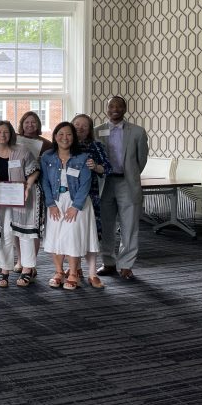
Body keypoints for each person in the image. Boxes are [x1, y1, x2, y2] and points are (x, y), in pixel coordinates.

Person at [0, 121, 42, 289]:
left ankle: (27, 269)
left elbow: (34, 169)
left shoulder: (21, 150)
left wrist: (28, 185)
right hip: (1, 200)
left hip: (23, 197)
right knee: (5, 234)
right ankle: (4, 270)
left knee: (25, 234)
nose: (2, 135)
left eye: (6, 132)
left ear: (11, 134)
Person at [41, 122, 100, 291]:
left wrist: (76, 206)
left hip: (77, 202)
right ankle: (59, 272)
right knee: (56, 236)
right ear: (55, 136)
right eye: (60, 134)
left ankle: (73, 273)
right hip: (56, 201)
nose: (64, 138)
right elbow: (44, 181)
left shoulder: (83, 158)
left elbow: (86, 183)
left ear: (73, 138)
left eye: (68, 134)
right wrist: (50, 204)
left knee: (72, 236)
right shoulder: (47, 156)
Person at [95, 96, 148, 280]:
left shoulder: (138, 132)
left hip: (127, 183)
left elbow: (141, 160)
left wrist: (131, 174)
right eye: (111, 105)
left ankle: (126, 265)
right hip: (105, 183)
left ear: (125, 109)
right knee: (106, 226)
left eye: (119, 106)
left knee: (129, 226)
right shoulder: (97, 131)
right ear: (106, 109)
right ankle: (108, 262)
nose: (115, 109)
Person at [72, 114, 112, 288]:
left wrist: (95, 167)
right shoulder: (65, 145)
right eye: (77, 124)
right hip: (69, 197)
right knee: (72, 234)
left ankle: (92, 272)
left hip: (90, 196)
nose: (80, 128)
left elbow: (108, 168)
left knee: (90, 234)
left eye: (84, 126)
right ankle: (75, 269)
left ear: (90, 130)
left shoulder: (96, 146)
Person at [14, 110, 51, 272]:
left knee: (33, 227)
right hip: (15, 187)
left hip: (36, 187)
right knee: (16, 226)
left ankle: (32, 262)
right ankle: (20, 260)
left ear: (38, 125)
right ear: (22, 124)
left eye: (33, 122)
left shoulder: (47, 144)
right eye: (26, 122)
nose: (30, 125)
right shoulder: (14, 140)